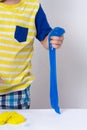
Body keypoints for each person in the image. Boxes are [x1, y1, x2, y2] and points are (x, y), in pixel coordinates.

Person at [0, 0, 64, 109]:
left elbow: (45, 39)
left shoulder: (34, 8)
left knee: (17, 126)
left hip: (17, 91)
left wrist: (53, 40)